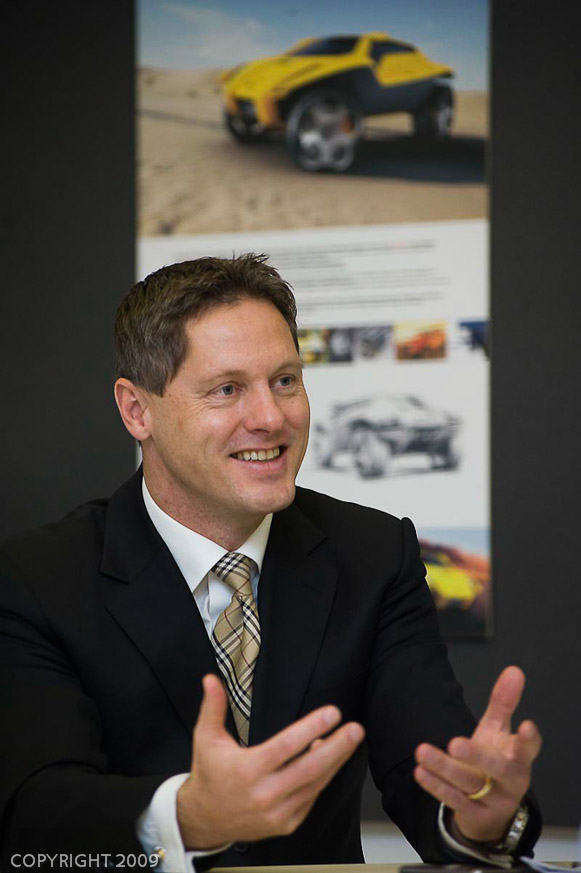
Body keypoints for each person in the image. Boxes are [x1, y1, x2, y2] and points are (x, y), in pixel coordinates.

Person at [0, 255, 541, 872]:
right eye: (227, 389)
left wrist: (480, 818)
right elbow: (34, 817)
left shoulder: (373, 554)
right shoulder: (37, 579)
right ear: (136, 411)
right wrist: (185, 817)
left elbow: (434, 774)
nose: (272, 418)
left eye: (285, 380)